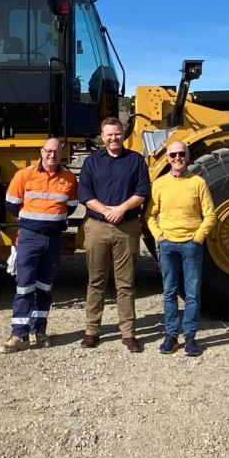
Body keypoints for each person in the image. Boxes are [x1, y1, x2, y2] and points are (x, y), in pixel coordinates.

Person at [78, 117, 150, 352]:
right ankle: (91, 330)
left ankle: (128, 333)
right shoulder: (92, 162)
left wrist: (121, 209)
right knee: (96, 281)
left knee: (125, 283)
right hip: (98, 226)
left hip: (127, 227)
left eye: (117, 134)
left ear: (123, 134)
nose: (113, 138)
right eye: (109, 134)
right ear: (102, 136)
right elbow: (85, 194)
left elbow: (141, 192)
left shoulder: (136, 160)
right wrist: (106, 210)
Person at [0, 137, 78, 353]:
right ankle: (19, 334)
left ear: (62, 153)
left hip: (53, 240)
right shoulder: (24, 175)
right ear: (41, 151)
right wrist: (34, 222)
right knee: (25, 286)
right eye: (48, 151)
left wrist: (50, 221)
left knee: (45, 287)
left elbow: (70, 206)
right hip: (30, 237)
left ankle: (40, 331)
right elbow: (11, 204)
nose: (52, 155)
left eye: (56, 151)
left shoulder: (69, 178)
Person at [145, 140, 216, 357]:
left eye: (181, 155)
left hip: (191, 245)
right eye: (173, 155)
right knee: (169, 291)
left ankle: (191, 338)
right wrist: (159, 237)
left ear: (187, 157)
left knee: (192, 293)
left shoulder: (198, 183)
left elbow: (210, 214)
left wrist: (198, 238)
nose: (177, 158)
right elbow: (150, 215)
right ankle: (171, 336)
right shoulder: (159, 185)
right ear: (167, 158)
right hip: (167, 245)